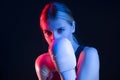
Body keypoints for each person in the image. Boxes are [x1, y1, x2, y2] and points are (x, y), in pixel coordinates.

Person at [35, 2, 100, 80]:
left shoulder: (89, 54)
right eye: (48, 33)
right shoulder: (45, 62)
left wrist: (66, 72)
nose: (54, 37)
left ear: (73, 27)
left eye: (60, 30)